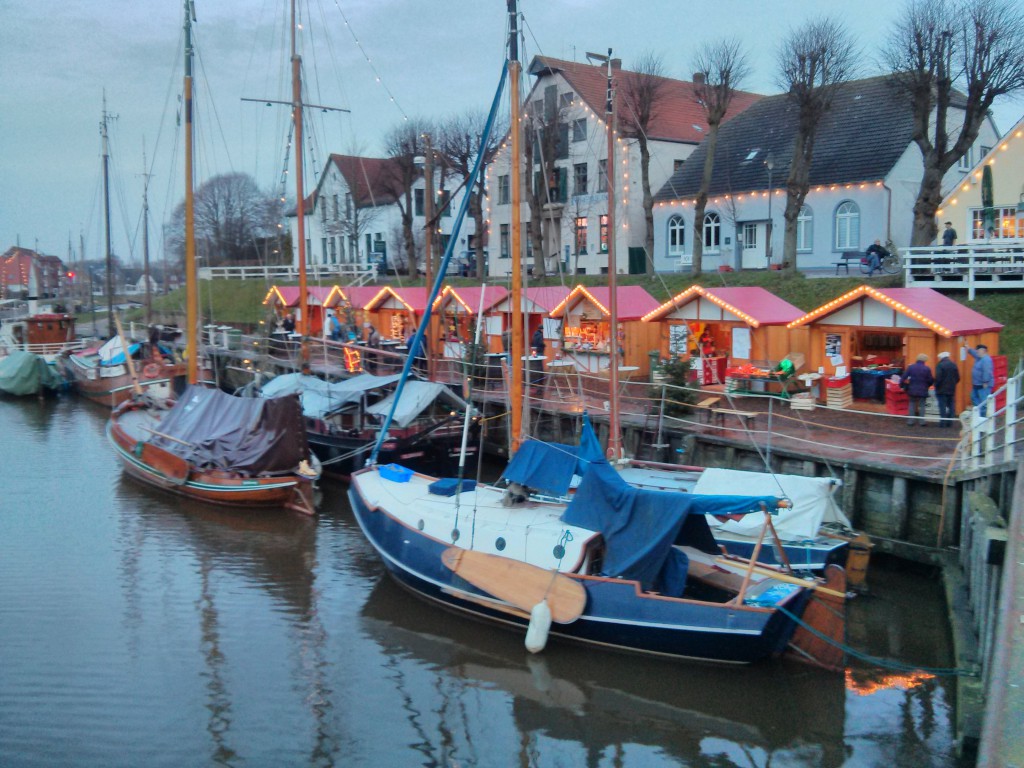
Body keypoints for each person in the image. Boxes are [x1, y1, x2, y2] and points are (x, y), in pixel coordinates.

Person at [900, 353, 934, 427]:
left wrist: (901, 386)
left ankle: (911, 421)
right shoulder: (927, 368)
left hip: (912, 389)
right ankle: (922, 421)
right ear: (924, 360)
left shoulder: (911, 367)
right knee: (922, 405)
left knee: (912, 404)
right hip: (923, 389)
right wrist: (927, 385)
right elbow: (931, 380)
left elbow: (903, 377)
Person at [963, 342, 994, 416]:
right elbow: (974, 353)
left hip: (983, 385)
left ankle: (983, 418)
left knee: (984, 402)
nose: (977, 351)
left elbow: (987, 371)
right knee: (973, 397)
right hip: (976, 384)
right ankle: (979, 413)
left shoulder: (986, 360)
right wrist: (968, 349)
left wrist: (985, 381)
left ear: (983, 351)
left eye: (978, 350)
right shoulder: (979, 357)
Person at [933, 351, 960, 428]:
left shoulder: (940, 365)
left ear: (941, 358)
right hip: (951, 389)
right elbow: (958, 378)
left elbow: (938, 378)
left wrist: (936, 385)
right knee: (951, 406)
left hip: (941, 390)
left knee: (942, 406)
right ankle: (950, 421)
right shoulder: (954, 365)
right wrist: (953, 384)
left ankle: (943, 423)